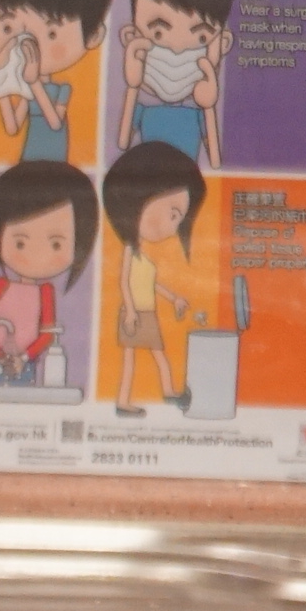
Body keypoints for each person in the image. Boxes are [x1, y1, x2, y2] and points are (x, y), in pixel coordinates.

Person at [0, 0, 114, 165]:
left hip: (55, 156)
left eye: (52, 33)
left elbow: (55, 123)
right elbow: (12, 127)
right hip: (29, 155)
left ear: (93, 36)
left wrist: (34, 82)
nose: (26, 42)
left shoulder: (62, 89)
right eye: (8, 27)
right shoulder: (27, 88)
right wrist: (0, 85)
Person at [101, 140, 207, 414]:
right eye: (173, 215)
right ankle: (123, 402)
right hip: (134, 314)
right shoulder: (129, 250)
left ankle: (169, 392)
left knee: (158, 353)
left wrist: (174, 298)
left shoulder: (145, 257)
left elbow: (151, 283)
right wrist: (130, 311)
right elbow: (124, 282)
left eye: (178, 220)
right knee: (130, 358)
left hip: (147, 312)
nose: (173, 229)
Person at [0, 159, 96, 381]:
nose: (37, 254)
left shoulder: (45, 292)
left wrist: (25, 357)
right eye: (20, 243)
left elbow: (46, 334)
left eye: (56, 244)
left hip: (26, 365)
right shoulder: (0, 285)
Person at [117, 0, 235, 167]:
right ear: (131, 37)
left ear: (222, 44)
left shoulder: (196, 116)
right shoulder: (145, 112)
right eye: (158, 33)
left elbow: (215, 161)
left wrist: (208, 106)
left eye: (201, 37)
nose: (177, 49)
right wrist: (132, 86)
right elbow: (123, 143)